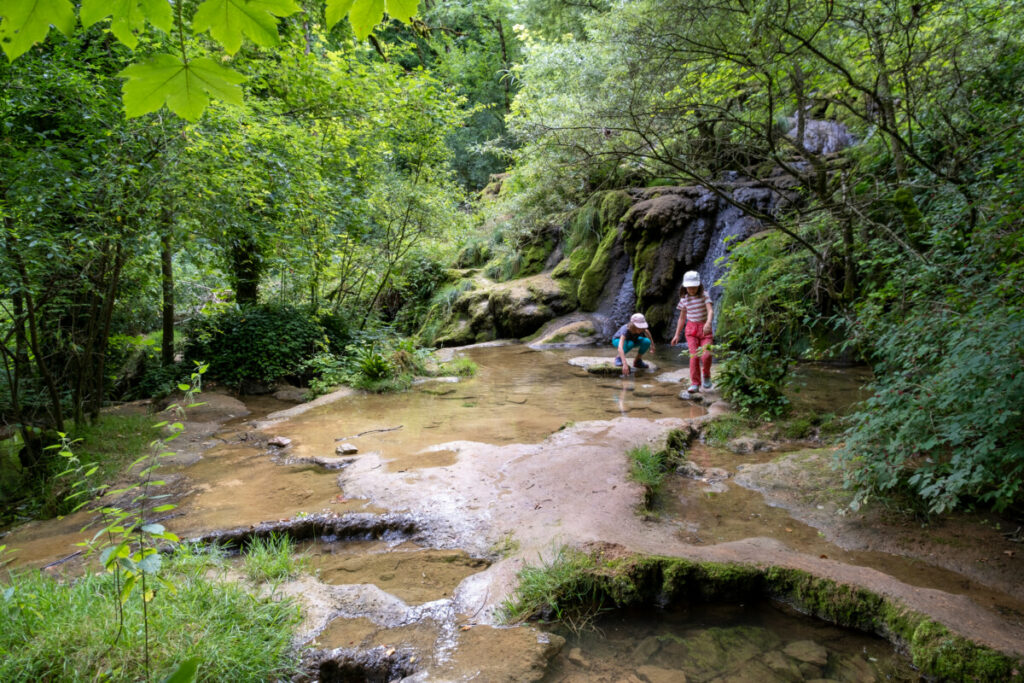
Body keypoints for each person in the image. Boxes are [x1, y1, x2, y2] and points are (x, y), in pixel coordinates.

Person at [670, 271, 713, 392]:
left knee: (706, 355)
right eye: (689, 287)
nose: (692, 289)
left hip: (705, 329)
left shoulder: (704, 295)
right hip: (691, 330)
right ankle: (695, 383)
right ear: (685, 287)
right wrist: (677, 334)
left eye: (694, 287)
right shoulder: (684, 299)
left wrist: (709, 323)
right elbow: (682, 318)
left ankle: (706, 375)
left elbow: (710, 310)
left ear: (699, 285)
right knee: (693, 356)